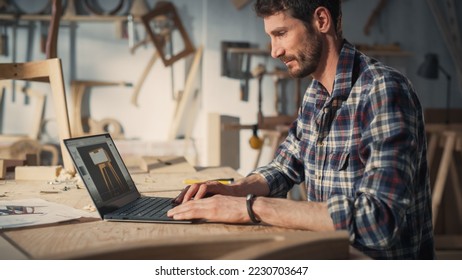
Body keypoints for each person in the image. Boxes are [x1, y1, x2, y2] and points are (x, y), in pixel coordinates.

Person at [167, 0, 435, 259]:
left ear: (321, 20)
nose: (274, 51)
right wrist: (233, 190)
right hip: (327, 257)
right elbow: (285, 167)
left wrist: (250, 207)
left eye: (281, 34)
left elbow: (378, 220)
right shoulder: (315, 95)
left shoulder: (383, 90)